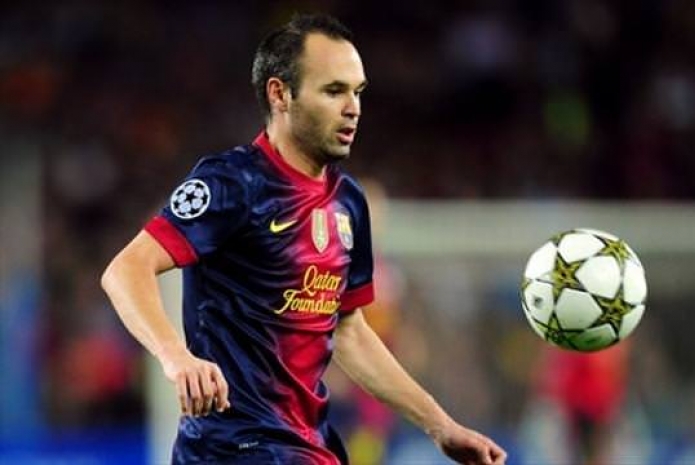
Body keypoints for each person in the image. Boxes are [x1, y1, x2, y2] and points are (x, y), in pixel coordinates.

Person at [101, 13, 506, 465]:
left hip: (310, 444)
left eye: (357, 92)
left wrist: (441, 425)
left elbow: (348, 330)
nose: (353, 107)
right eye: (333, 91)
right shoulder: (233, 183)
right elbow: (125, 269)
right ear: (280, 94)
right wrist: (176, 356)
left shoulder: (348, 202)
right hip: (235, 447)